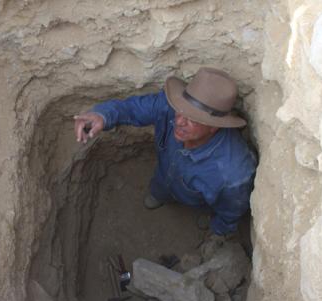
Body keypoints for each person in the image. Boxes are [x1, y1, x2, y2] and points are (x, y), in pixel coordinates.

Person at [74, 67, 257, 236]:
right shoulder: (171, 106)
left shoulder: (232, 174)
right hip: (164, 175)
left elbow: (231, 210)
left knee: (210, 208)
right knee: (159, 187)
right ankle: (159, 195)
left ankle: (206, 218)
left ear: (214, 127)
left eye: (193, 118)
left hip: (199, 200)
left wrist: (219, 229)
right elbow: (132, 109)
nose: (179, 121)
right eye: (180, 111)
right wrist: (102, 115)